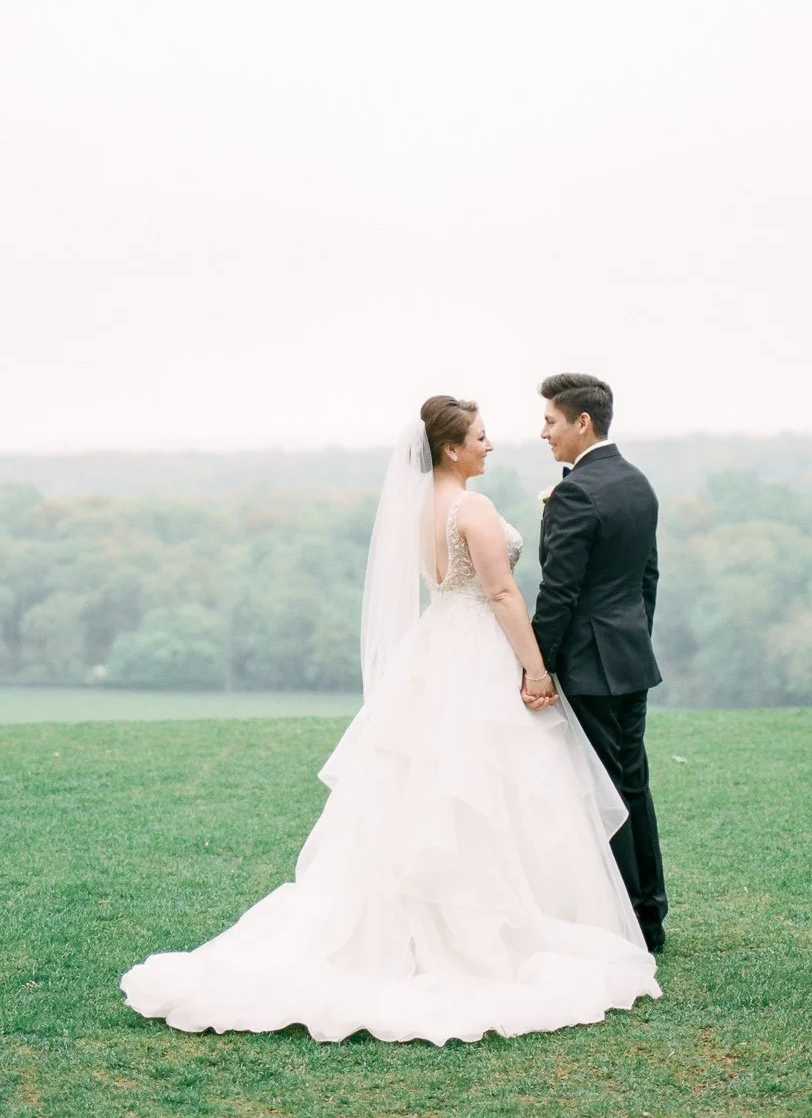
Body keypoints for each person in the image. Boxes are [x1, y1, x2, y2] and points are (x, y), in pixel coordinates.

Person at [119, 394, 660, 1044]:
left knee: (427, 787)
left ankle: (430, 919)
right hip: (478, 653)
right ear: (452, 449)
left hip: (435, 651)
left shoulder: (417, 510)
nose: (491, 446)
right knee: (486, 785)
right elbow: (500, 593)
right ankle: (492, 927)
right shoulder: (473, 507)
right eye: (481, 438)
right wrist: (536, 670)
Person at [533, 373, 668, 953]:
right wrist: (634, 637)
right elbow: (648, 577)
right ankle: (649, 914)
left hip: (588, 664)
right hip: (629, 657)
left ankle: (623, 921)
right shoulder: (638, 483)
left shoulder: (575, 493)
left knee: (599, 789)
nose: (544, 433)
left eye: (551, 421)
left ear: (581, 422)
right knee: (631, 782)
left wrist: (536, 666)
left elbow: (558, 591)